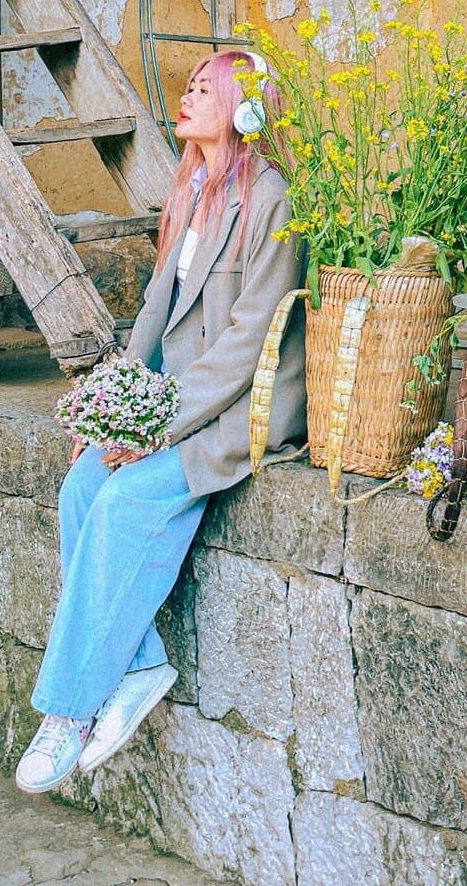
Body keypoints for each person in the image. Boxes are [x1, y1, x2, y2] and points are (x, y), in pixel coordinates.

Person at [15, 49, 306, 794]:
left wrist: (155, 428)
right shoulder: (194, 190)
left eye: (206, 89)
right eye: (189, 85)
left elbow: (247, 342)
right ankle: (140, 665)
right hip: (173, 400)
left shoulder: (270, 198)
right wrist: (108, 410)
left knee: (124, 500)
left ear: (244, 109)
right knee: (82, 487)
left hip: (234, 409)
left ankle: (67, 712)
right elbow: (153, 313)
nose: (187, 96)